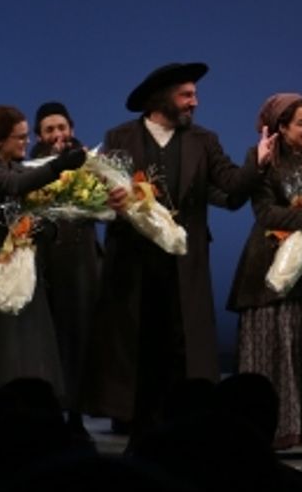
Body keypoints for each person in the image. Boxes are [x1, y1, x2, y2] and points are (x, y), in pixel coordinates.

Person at [81, 62, 272, 444]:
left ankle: (182, 431)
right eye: (186, 95)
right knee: (137, 345)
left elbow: (233, 192)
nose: (194, 103)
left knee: (181, 348)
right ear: (161, 98)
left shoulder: (204, 140)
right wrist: (108, 201)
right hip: (134, 264)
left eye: (194, 96)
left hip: (184, 264)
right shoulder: (120, 137)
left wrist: (258, 161)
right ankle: (137, 429)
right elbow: (98, 197)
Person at [226, 93, 302, 452]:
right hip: (270, 260)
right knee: (273, 345)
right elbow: (265, 213)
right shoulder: (260, 159)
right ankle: (271, 428)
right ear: (281, 127)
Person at [0, 106, 89, 410]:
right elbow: (14, 185)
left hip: (20, 261)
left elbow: (33, 199)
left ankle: (25, 408)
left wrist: (45, 226)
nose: (25, 142)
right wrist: (60, 165)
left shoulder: (18, 167)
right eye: (19, 137)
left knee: (26, 341)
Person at [29, 101, 102, 438]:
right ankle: (50, 414)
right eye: (49, 130)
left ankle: (75, 414)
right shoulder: (32, 168)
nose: (57, 135)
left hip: (82, 263)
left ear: (71, 128)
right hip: (46, 262)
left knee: (82, 338)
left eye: (62, 128)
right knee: (50, 339)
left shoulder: (90, 164)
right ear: (38, 136)